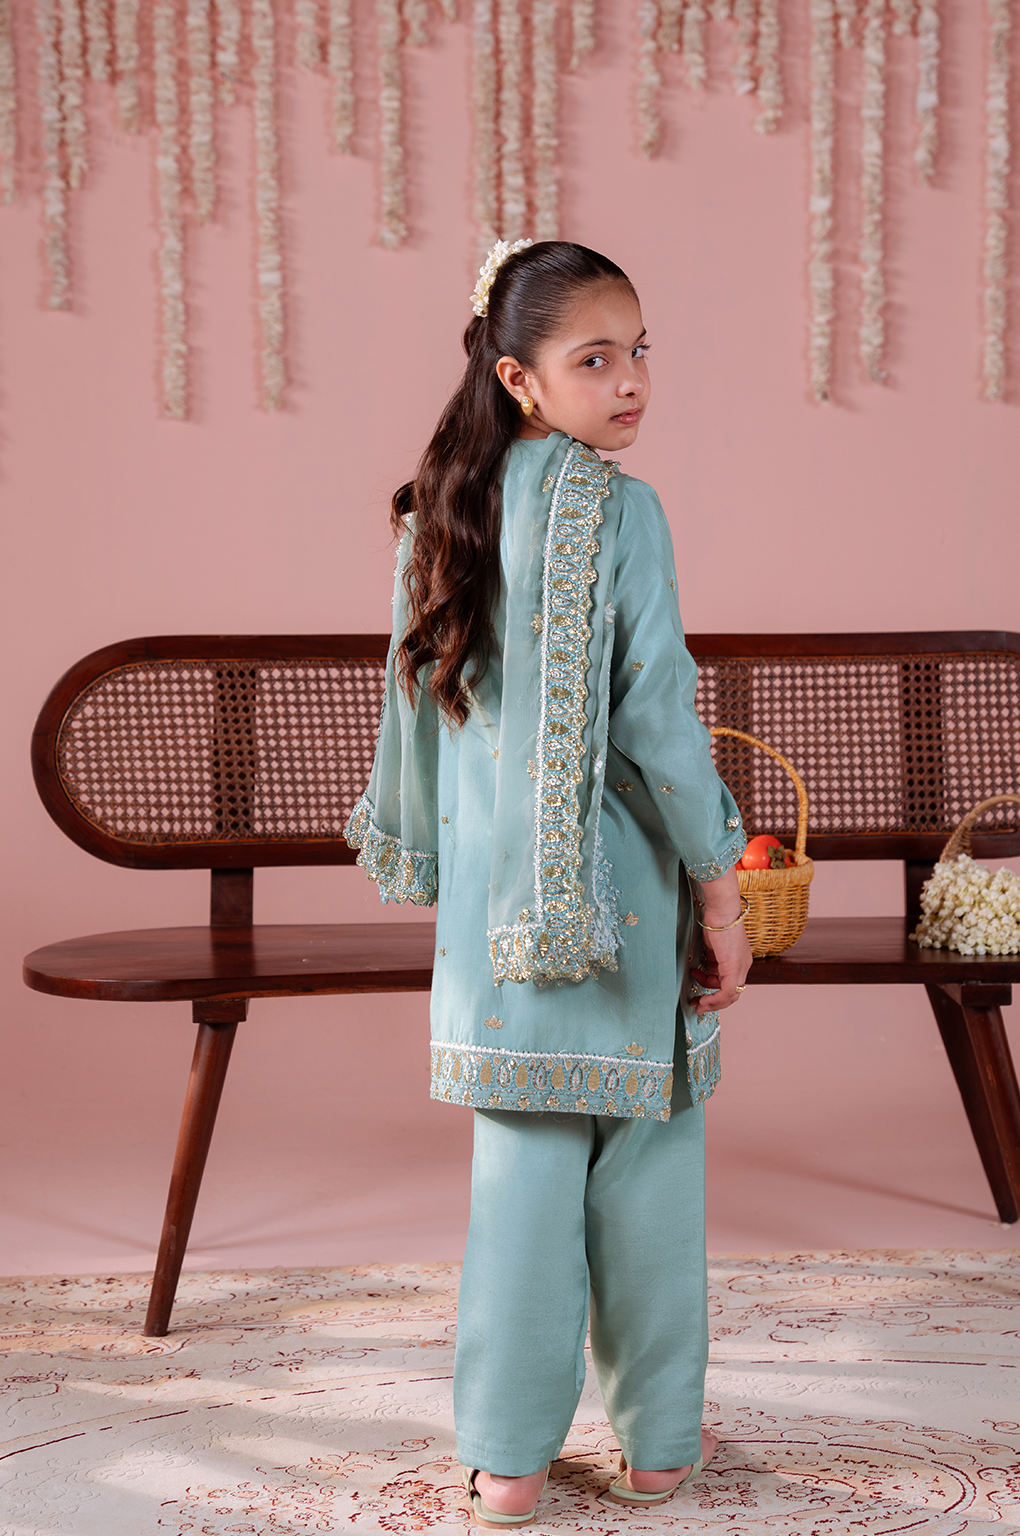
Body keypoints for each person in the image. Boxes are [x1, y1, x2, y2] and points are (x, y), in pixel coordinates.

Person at [346, 239, 752, 1529]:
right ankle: (661, 1450)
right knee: (649, 1166)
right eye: (596, 359)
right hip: (625, 901)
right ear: (518, 377)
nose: (631, 383)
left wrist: (427, 858)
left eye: (640, 352)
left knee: (518, 1183)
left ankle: (510, 1464)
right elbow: (662, 722)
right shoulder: (626, 513)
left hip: (492, 916)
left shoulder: (438, 514)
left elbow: (413, 715)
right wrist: (721, 889)